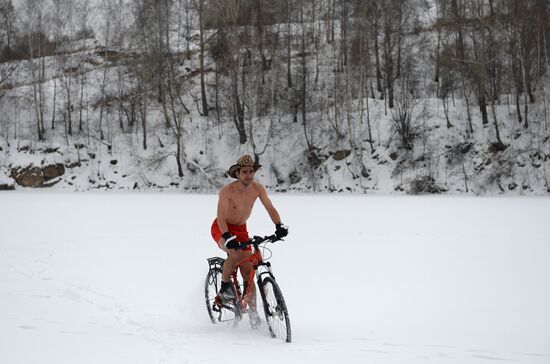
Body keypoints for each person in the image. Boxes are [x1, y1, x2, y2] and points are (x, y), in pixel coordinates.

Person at [211, 154, 288, 327]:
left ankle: (253, 314)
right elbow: (221, 217)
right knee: (233, 253)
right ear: (237, 173)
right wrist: (227, 237)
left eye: (251, 171)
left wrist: (279, 225)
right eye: (245, 172)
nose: (248, 175)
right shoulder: (227, 191)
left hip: (241, 230)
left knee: (248, 271)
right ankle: (225, 288)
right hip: (222, 227)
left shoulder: (257, 189)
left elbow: (270, 207)